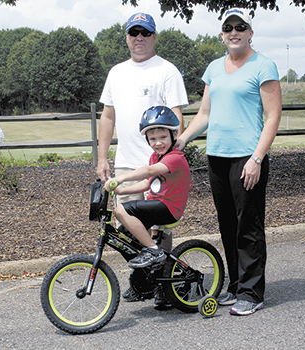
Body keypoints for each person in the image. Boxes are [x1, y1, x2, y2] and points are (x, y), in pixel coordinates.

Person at [176, 8, 282, 316]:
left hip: (248, 157)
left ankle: (252, 292)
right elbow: (205, 115)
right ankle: (236, 285)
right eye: (228, 27)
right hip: (217, 157)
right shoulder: (214, 68)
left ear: (250, 32)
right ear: (222, 34)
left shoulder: (264, 65)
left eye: (240, 26)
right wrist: (182, 139)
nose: (234, 31)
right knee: (227, 223)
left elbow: (272, 116)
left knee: (248, 224)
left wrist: (257, 158)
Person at [97, 12, 188, 304]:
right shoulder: (116, 72)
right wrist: (102, 158)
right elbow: (107, 116)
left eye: (145, 33)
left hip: (158, 167)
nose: (139, 38)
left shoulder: (166, 70)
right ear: (126, 37)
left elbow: (176, 117)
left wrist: (172, 157)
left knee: (159, 232)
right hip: (126, 163)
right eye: (134, 33)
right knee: (128, 231)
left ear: (154, 37)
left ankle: (168, 288)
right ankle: (143, 281)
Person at [105, 106, 190, 310]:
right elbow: (147, 184)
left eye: (163, 137)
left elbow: (150, 171)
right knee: (125, 236)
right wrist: (120, 191)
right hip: (157, 203)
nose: (158, 143)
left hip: (169, 208)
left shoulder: (175, 157)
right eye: (153, 139)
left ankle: (153, 251)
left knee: (122, 211)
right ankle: (149, 284)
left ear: (174, 135)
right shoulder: (156, 156)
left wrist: (122, 177)